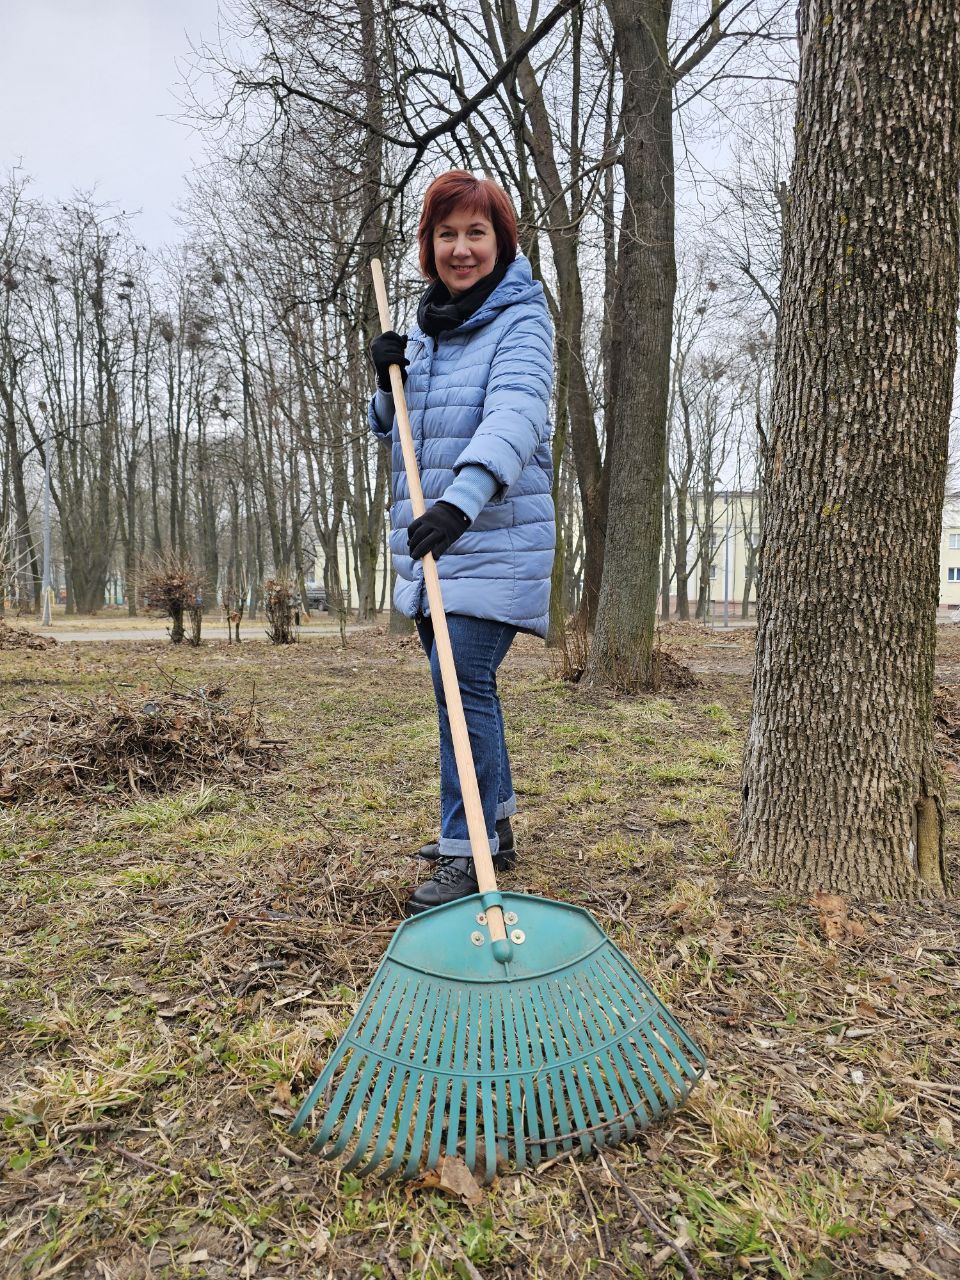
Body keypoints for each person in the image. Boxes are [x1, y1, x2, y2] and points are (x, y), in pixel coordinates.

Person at [368, 169, 555, 916]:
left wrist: (459, 503)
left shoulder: (522, 320)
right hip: (435, 545)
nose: (461, 248)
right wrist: (386, 381)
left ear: (501, 241)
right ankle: (492, 827)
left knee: (460, 684)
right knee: (463, 688)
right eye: (447, 234)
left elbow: (516, 417)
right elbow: (398, 426)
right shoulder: (427, 325)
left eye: (476, 232)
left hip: (489, 537)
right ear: (430, 246)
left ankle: (467, 852)